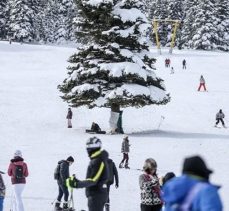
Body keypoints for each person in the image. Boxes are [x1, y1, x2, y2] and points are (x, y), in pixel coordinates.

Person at [67, 137, 109, 211]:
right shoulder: (97, 159)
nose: (87, 151)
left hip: (96, 195)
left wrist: (77, 184)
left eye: (88, 149)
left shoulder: (98, 160)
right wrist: (78, 181)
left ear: (91, 149)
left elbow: (93, 180)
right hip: (97, 194)